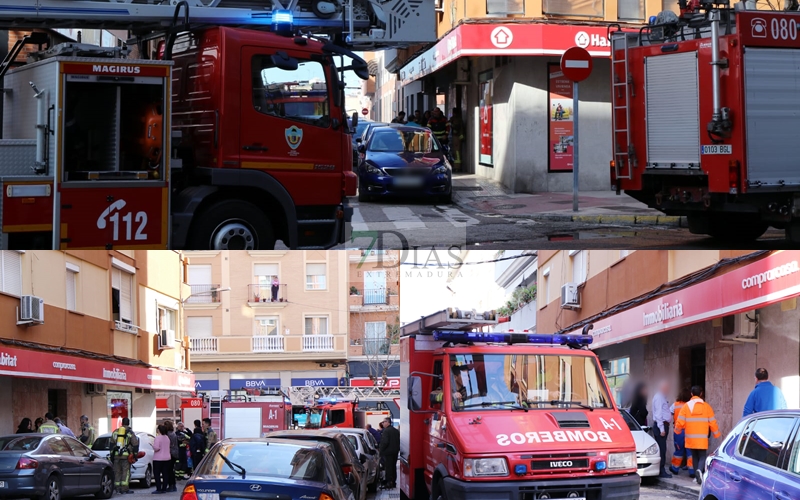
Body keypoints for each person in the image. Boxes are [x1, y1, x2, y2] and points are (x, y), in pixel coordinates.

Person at [674, 386, 720, 486]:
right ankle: (700, 470)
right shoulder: (706, 406)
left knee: (694, 456)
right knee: (702, 456)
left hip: (690, 437)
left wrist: (677, 431)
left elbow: (680, 421)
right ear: (701, 394)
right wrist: (717, 434)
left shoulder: (686, 406)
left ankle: (696, 476)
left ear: (691, 394)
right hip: (702, 437)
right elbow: (712, 422)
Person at [669, 389, 694, 477]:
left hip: (678, 431)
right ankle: (692, 471)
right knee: (690, 451)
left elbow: (669, 416)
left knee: (679, 450)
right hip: (689, 431)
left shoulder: (674, 405)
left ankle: (675, 468)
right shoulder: (691, 406)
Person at [111, 417, 139, 494]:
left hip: (116, 456)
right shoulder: (130, 432)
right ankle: (124, 489)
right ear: (128, 423)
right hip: (126, 456)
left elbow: (111, 443)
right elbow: (135, 444)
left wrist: (112, 455)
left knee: (117, 472)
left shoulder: (116, 432)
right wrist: (135, 455)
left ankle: (117, 489)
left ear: (122, 423)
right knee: (125, 472)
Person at [651, 381, 672, 479]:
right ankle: (661, 470)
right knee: (662, 448)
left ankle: (661, 469)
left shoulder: (661, 397)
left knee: (662, 448)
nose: (668, 390)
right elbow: (658, 414)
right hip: (661, 426)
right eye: (667, 388)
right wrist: (662, 428)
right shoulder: (659, 397)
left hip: (662, 425)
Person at [378, 418, 399, 489]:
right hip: (395, 452)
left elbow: (385, 442)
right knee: (393, 467)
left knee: (388, 467)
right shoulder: (396, 431)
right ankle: (393, 482)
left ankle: (389, 482)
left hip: (388, 452)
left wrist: (381, 450)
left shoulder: (386, 431)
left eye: (383, 422)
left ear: (388, 422)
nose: (383, 423)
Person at [152, 425, 171, 494]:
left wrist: (152, 446)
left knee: (157, 474)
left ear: (159, 430)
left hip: (158, 459)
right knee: (165, 474)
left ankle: (159, 488)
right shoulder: (167, 438)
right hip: (167, 458)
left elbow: (156, 448)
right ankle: (164, 488)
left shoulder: (157, 438)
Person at [164, 421, 178, 492]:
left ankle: (171, 485)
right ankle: (173, 485)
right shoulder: (173, 433)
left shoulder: (168, 435)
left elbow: (168, 444)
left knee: (169, 470)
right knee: (171, 470)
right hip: (174, 453)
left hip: (171, 453)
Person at [449, 108, 464, 172]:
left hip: (456, 136)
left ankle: (457, 166)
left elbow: (456, 127)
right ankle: (456, 166)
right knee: (456, 152)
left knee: (457, 152)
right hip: (456, 136)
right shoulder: (456, 119)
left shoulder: (456, 119)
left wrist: (451, 123)